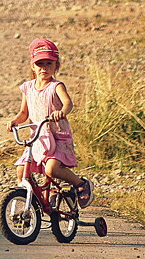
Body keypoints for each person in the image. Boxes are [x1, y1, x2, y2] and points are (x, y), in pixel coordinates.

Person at [7, 38, 92, 207]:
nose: (44, 68)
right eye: (40, 64)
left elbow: (68, 103)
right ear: (33, 66)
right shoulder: (28, 88)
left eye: (49, 64)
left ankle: (81, 184)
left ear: (56, 66)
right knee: (21, 169)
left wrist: (61, 112)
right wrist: (15, 121)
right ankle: (32, 200)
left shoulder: (56, 86)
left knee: (51, 169)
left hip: (58, 136)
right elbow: (24, 113)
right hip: (38, 138)